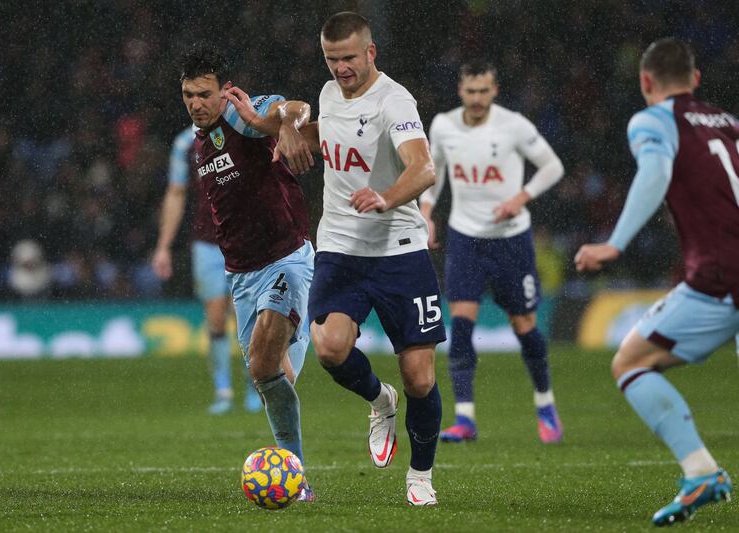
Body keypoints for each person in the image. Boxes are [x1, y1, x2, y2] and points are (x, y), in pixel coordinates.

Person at [575, 38, 738, 526]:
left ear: (646, 82)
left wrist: (615, 242)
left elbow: (655, 171)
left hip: (721, 275)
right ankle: (702, 474)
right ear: (696, 79)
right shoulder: (729, 123)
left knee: (632, 361)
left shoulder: (652, 120)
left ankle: (701, 472)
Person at [295, 12, 446, 506]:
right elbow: (331, 134)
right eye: (331, 59)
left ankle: (420, 476)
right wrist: (287, 132)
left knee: (420, 376)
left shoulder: (394, 101)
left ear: (371, 53)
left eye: (348, 59)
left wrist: (385, 196)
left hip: (399, 251)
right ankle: (381, 401)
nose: (340, 68)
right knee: (330, 348)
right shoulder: (328, 92)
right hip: (340, 246)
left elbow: (422, 168)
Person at [177, 41, 315, 500]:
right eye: (188, 95)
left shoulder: (242, 113)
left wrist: (278, 124)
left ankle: (296, 477)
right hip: (241, 274)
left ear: (225, 90)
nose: (196, 103)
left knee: (262, 363)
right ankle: (296, 477)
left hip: (286, 258)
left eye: (204, 93)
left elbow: (295, 107)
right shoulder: (198, 143)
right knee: (268, 376)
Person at [419, 61, 565, 444]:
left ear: (495, 90)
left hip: (512, 241)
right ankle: (464, 418)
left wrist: (521, 197)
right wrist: (427, 212)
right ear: (460, 91)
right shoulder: (444, 126)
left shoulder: (514, 125)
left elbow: (552, 166)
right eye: (471, 91)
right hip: (466, 239)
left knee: (525, 327)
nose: (478, 98)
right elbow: (432, 174)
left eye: (484, 91)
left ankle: (545, 402)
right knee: (461, 324)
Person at [152, 126, 262, 415]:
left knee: (246, 320)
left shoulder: (241, 132)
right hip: (206, 243)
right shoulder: (184, 143)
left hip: (246, 240)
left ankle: (255, 388)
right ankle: (223, 392)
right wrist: (163, 245)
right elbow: (176, 192)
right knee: (215, 318)